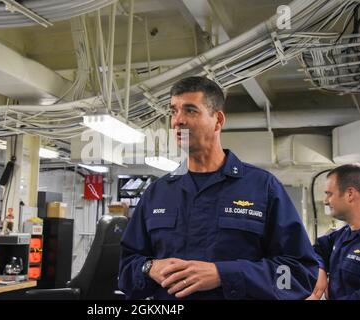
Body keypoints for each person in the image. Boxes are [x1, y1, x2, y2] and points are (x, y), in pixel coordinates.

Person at [118, 76, 318, 300]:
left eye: (190, 110)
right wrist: (148, 268)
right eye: (173, 111)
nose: (177, 121)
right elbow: (126, 270)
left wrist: (224, 274)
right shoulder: (157, 193)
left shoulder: (262, 188)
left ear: (218, 120)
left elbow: (300, 274)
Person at [307, 164, 360, 300]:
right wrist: (320, 269)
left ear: (350, 194)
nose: (325, 201)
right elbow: (317, 249)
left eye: (329, 194)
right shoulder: (344, 234)